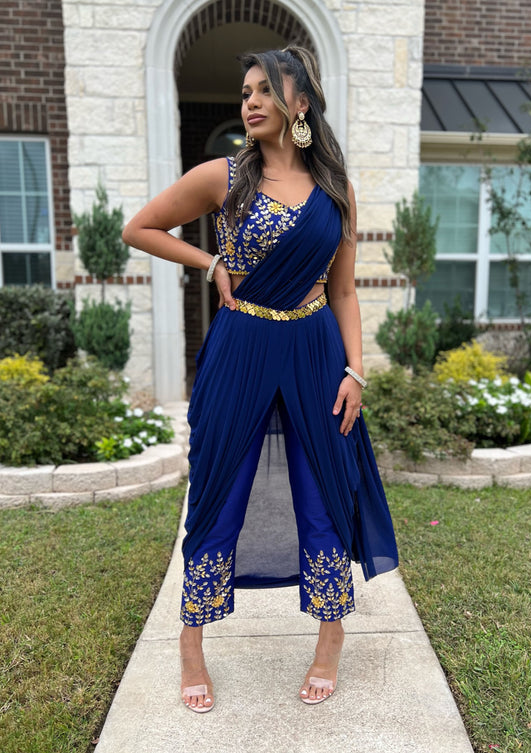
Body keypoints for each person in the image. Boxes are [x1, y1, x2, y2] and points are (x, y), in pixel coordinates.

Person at [122, 45, 398, 713]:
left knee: (324, 491)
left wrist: (356, 371)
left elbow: (344, 292)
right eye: (246, 91)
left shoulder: (335, 191)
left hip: (314, 351)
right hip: (240, 348)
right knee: (219, 489)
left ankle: (330, 636)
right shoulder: (223, 176)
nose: (251, 101)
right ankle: (192, 641)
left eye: (266, 90)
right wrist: (210, 262)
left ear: (300, 103)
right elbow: (140, 228)